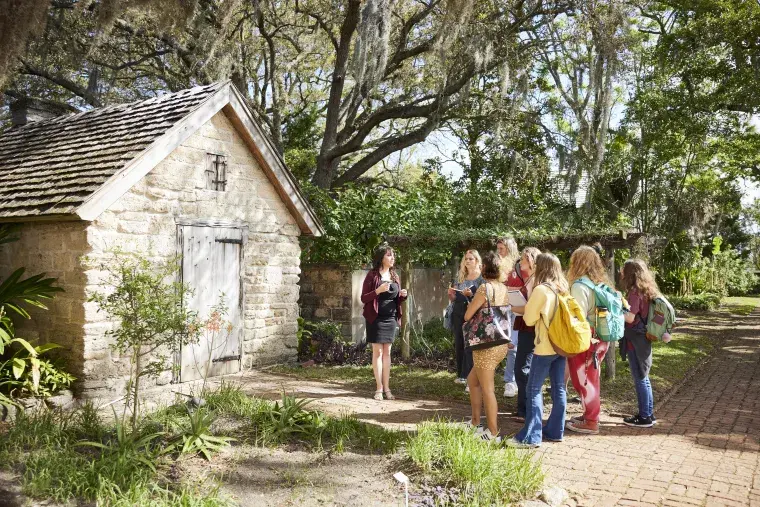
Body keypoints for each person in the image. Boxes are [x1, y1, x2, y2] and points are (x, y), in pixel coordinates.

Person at [510, 253, 568, 448]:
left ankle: (531, 436)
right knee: (559, 387)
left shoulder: (541, 290)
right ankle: (555, 430)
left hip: (544, 346)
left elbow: (528, 319)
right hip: (561, 345)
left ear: (541, 267)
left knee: (533, 388)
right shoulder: (563, 288)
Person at [564, 245, 614, 435]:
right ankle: (588, 415)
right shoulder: (599, 283)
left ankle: (591, 421)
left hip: (587, 337)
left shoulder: (579, 285)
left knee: (586, 380)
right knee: (591, 376)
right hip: (601, 337)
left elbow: (579, 317)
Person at [462, 251, 511, 442]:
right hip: (500, 342)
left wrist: (469, 302)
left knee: (487, 389)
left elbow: (467, 316)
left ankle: (492, 432)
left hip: (485, 345)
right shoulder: (502, 288)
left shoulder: (484, 289)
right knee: (472, 380)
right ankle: (475, 423)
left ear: (484, 268)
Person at [360, 244, 408, 401]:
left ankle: (387, 388)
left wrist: (402, 295)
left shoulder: (395, 276)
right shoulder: (372, 276)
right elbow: (363, 298)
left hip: (390, 318)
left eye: (393, 255)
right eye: (389, 255)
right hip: (375, 318)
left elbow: (396, 298)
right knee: (378, 352)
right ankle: (379, 388)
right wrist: (377, 291)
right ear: (381, 258)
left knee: (387, 352)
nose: (392, 258)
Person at [619, 259, 659, 428]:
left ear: (630, 274)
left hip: (635, 339)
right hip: (643, 338)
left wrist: (616, 309)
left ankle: (644, 417)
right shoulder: (647, 290)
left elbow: (630, 317)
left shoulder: (635, 293)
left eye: (623, 271)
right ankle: (648, 414)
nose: (621, 273)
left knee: (640, 378)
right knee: (644, 377)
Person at [508, 247, 540, 420]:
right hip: (524, 324)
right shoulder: (529, 280)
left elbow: (531, 307)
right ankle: (523, 407)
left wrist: (514, 306)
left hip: (530, 326)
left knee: (522, 368)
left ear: (533, 261)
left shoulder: (536, 281)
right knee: (521, 367)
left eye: (524, 259)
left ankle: (526, 409)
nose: (520, 262)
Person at [447, 250, 484, 385]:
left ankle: (470, 375)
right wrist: (451, 294)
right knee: (460, 342)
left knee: (471, 343)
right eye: (466, 259)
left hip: (473, 311)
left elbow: (483, 296)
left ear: (477, 260)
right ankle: (461, 375)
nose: (468, 261)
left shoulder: (481, 278)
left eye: (471, 259)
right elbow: (454, 296)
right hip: (458, 310)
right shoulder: (460, 276)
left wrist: (471, 295)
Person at [496, 237, 520, 397]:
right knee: (497, 345)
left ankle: (511, 382)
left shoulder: (519, 264)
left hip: (516, 308)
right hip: (500, 308)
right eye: (498, 248)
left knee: (513, 346)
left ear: (510, 249)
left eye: (501, 249)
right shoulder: (496, 264)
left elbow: (524, 286)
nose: (498, 252)